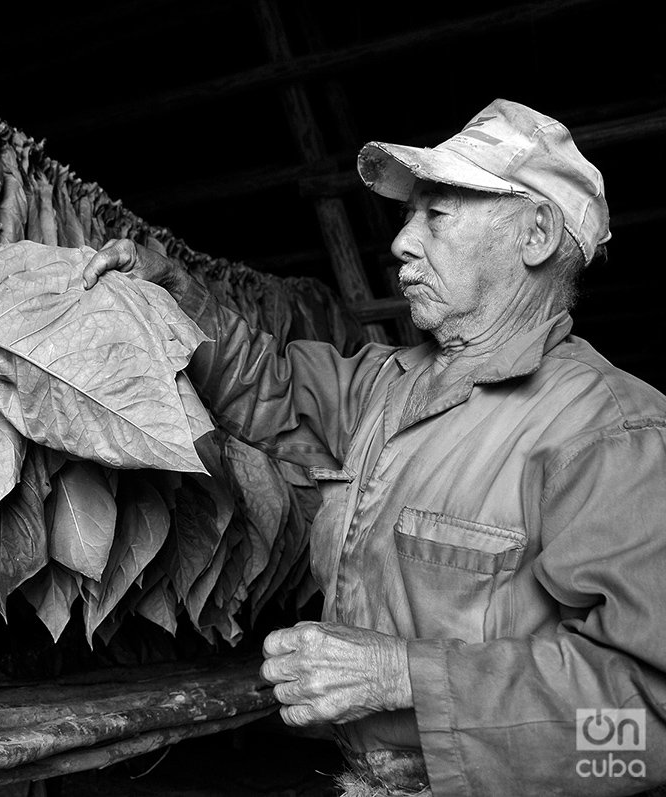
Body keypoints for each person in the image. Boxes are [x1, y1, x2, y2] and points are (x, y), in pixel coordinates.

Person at [82, 99, 666, 796]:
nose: (401, 242)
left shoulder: (610, 432)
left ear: (536, 233)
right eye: (407, 216)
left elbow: (644, 731)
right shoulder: (384, 386)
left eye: (437, 214)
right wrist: (169, 296)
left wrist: (402, 675)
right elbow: (269, 386)